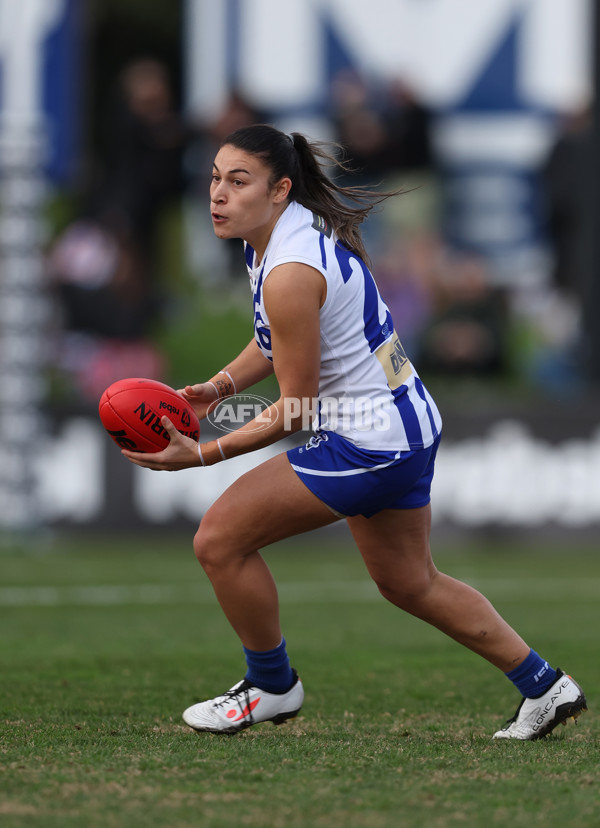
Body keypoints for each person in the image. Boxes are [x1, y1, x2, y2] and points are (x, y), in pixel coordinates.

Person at [122, 124, 587, 740]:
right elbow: (277, 342)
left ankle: (271, 686)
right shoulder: (273, 243)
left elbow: (294, 406)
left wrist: (205, 454)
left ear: (280, 190)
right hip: (404, 424)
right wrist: (220, 388)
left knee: (219, 541)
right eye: (214, 178)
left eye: (238, 181)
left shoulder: (288, 268)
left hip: (370, 440)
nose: (218, 194)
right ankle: (546, 686)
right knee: (410, 582)